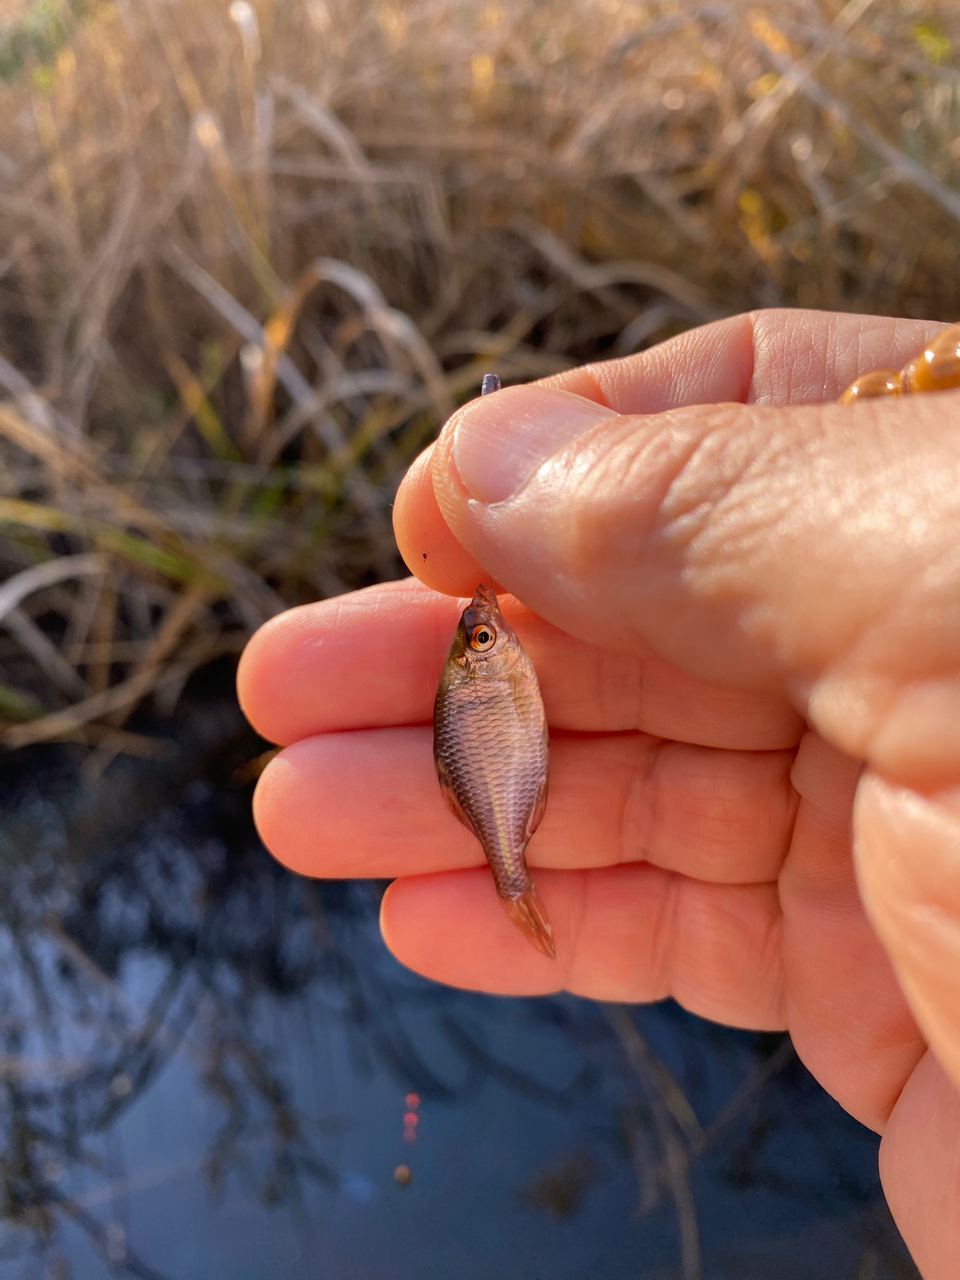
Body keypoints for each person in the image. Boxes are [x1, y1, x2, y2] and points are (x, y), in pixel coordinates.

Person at [238, 309, 960, 1278]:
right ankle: (512, 876)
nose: (484, 637)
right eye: (480, 643)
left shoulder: (496, 668)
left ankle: (512, 878)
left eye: (479, 642)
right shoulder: (491, 671)